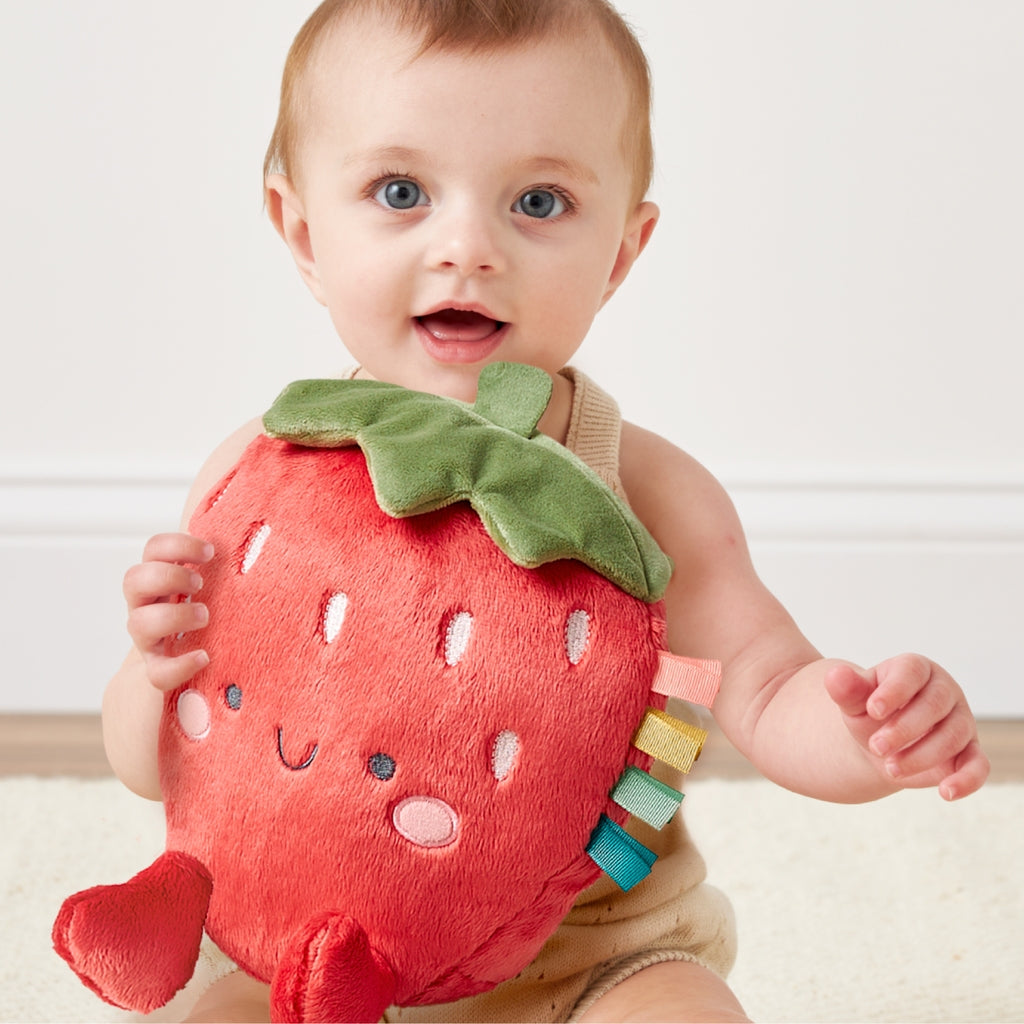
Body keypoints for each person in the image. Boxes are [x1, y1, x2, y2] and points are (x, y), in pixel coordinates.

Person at [102, 1, 991, 1021]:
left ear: (620, 252)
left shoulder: (651, 495)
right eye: (401, 192)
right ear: (304, 233)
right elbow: (153, 766)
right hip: (310, 959)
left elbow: (766, 683)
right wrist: (151, 670)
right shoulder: (257, 481)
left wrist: (867, 735)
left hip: (586, 961)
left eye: (537, 201)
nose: (467, 246)